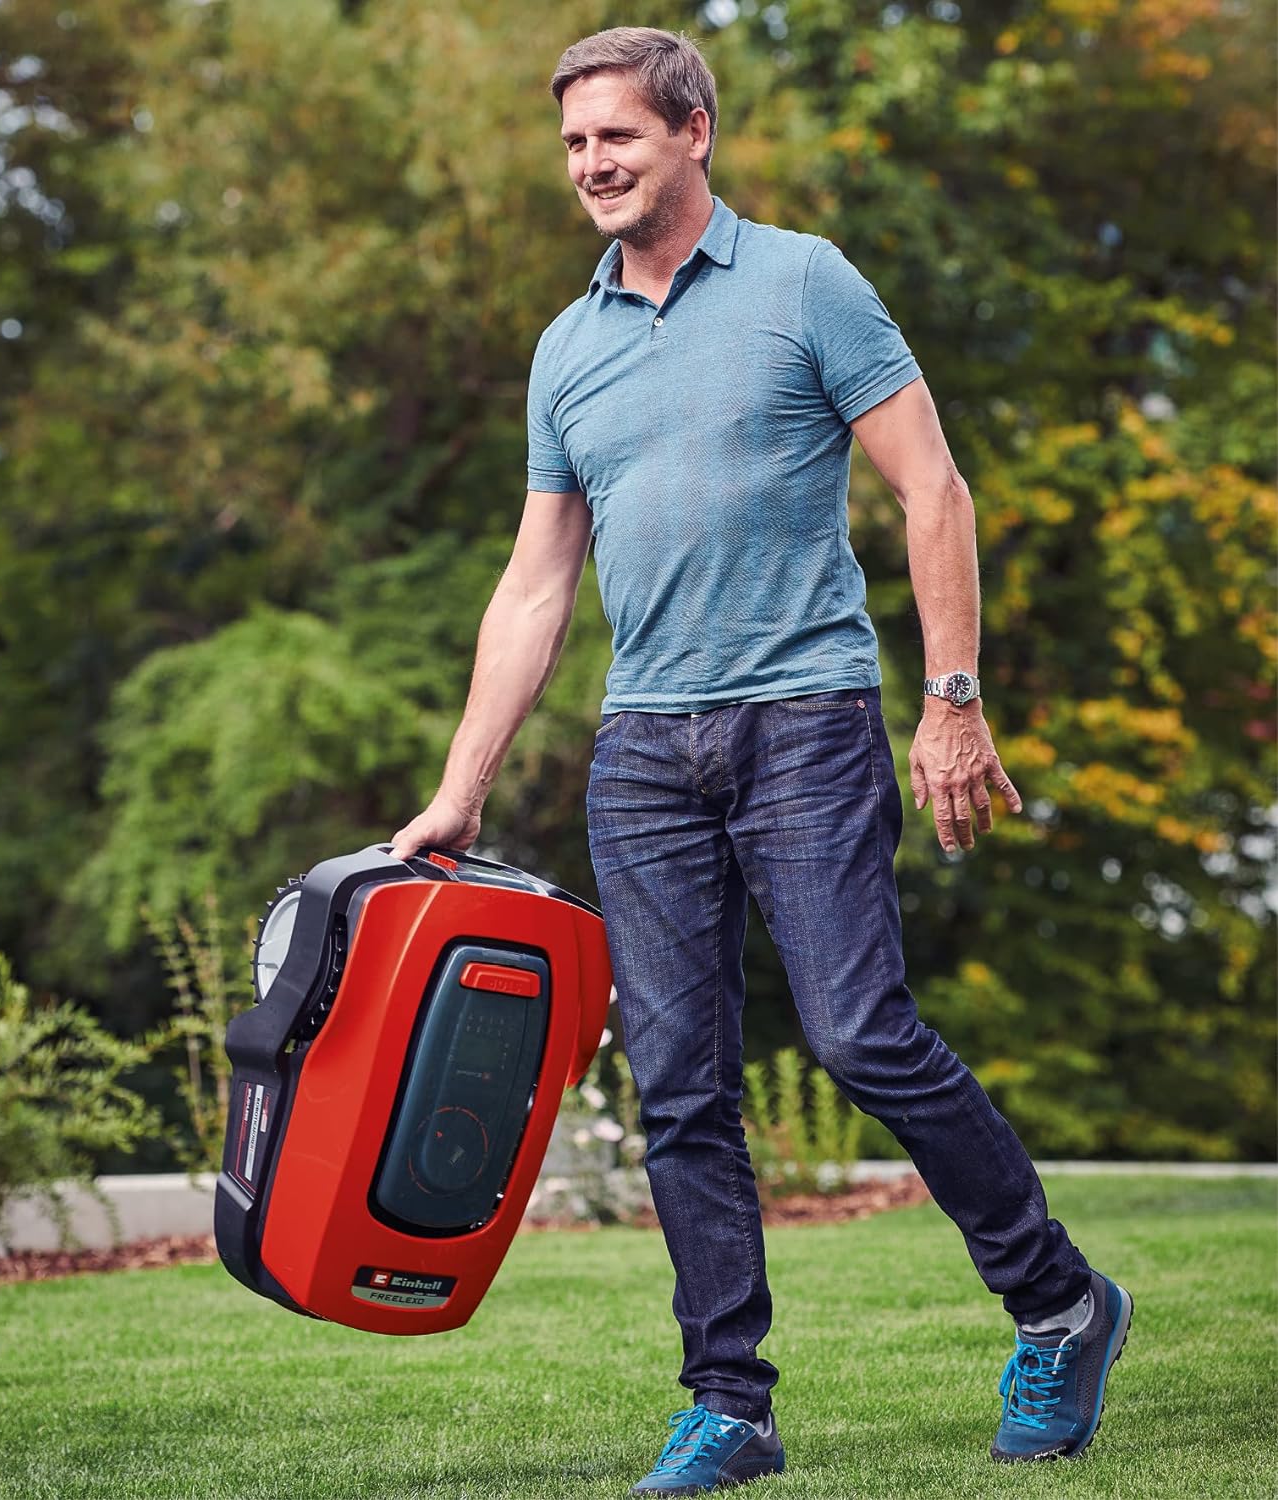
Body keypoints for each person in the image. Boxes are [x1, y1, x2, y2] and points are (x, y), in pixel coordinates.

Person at [392, 26, 1131, 1496]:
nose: (593, 165)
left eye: (618, 135)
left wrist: (953, 700)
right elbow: (536, 585)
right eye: (574, 144)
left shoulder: (805, 282)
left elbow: (934, 488)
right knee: (677, 1087)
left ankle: (1059, 1303)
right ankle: (729, 1403)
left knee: (860, 1034)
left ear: (694, 133)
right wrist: (459, 790)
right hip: (642, 751)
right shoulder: (567, 349)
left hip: (805, 720)